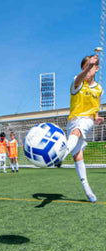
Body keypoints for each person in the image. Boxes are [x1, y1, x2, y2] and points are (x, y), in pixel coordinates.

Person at [57, 54, 104, 202]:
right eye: (84, 67)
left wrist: (96, 118)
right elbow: (78, 78)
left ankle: (60, 156)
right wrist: (88, 65)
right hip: (73, 120)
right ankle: (87, 189)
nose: (87, 69)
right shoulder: (77, 83)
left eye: (90, 67)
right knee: (77, 156)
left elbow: (95, 107)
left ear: (96, 68)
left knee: (77, 131)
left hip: (87, 120)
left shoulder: (99, 89)